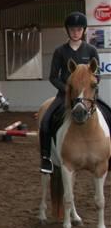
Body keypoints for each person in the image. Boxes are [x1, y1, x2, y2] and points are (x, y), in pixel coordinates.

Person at [38, 12, 110, 174]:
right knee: (46, 121)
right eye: (72, 29)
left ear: (83, 30)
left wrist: (89, 86)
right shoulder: (60, 51)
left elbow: (97, 74)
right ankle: (46, 158)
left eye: (78, 29)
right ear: (67, 31)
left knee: (109, 114)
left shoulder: (91, 50)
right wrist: (68, 89)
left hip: (87, 97)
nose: (75, 32)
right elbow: (53, 77)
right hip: (65, 96)